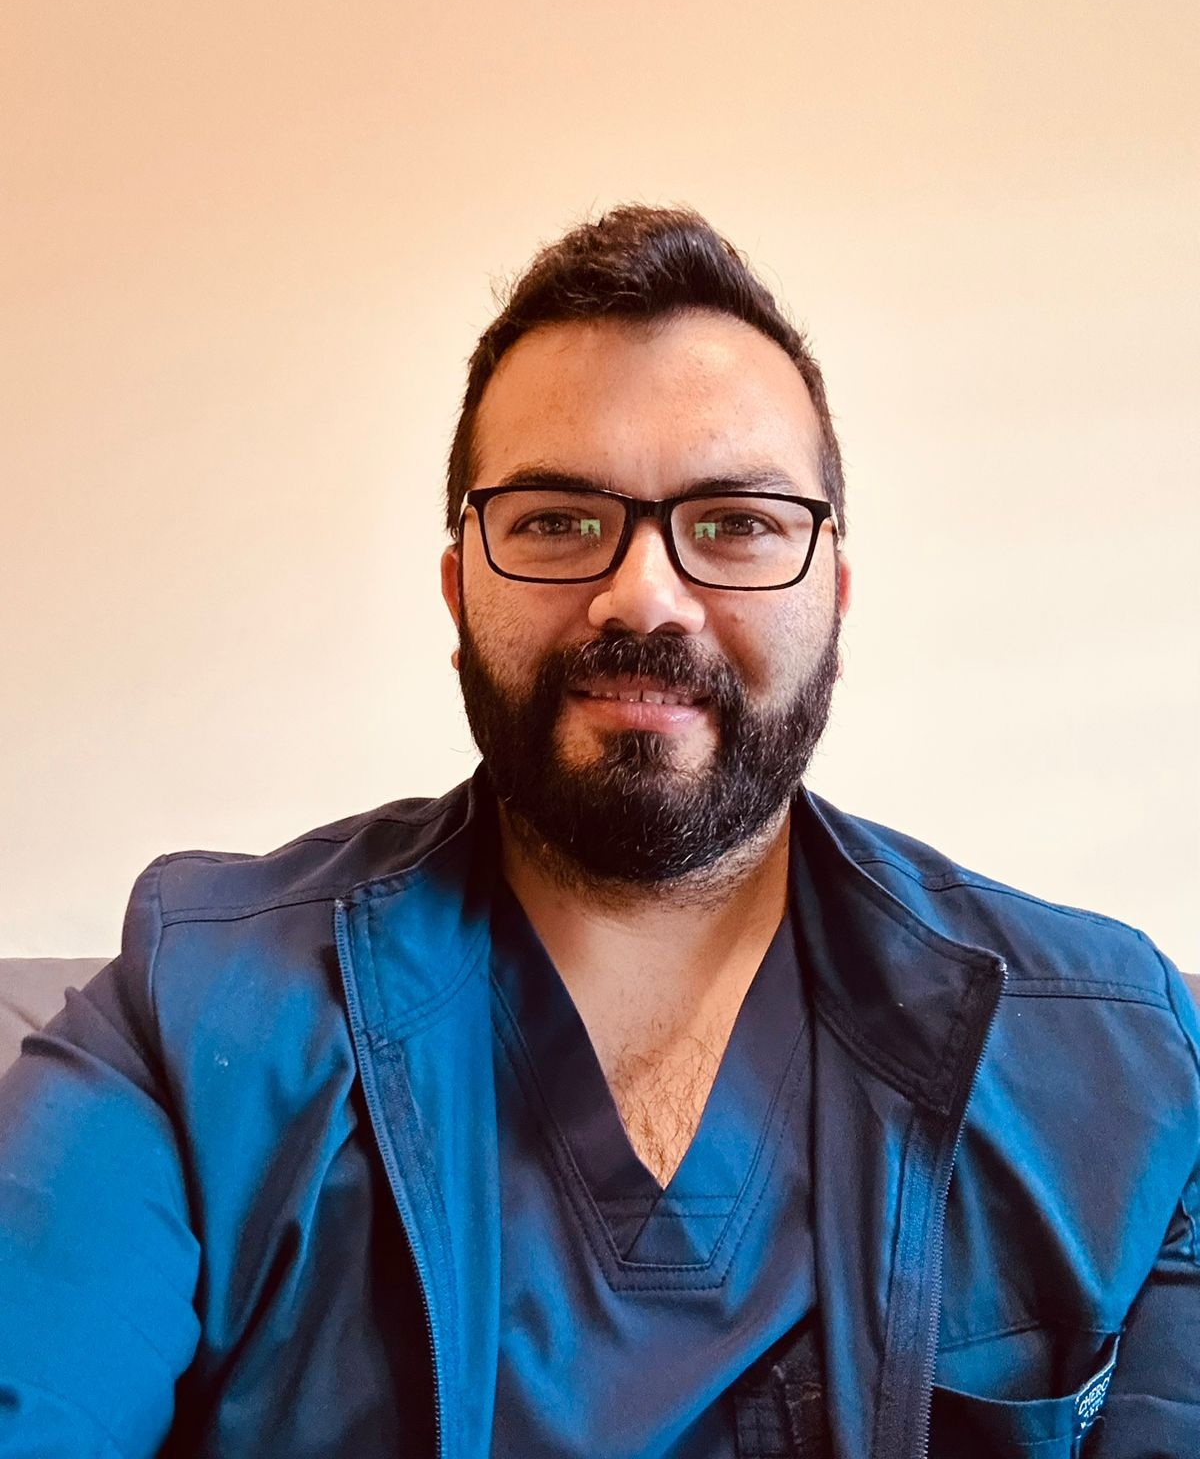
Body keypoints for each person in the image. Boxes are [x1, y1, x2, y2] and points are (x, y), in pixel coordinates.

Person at [0, 205, 1196, 1459]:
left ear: (833, 594)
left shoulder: (1124, 1062)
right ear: (458, 588)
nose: (644, 595)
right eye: (557, 519)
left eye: (735, 522)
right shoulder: (196, 1025)